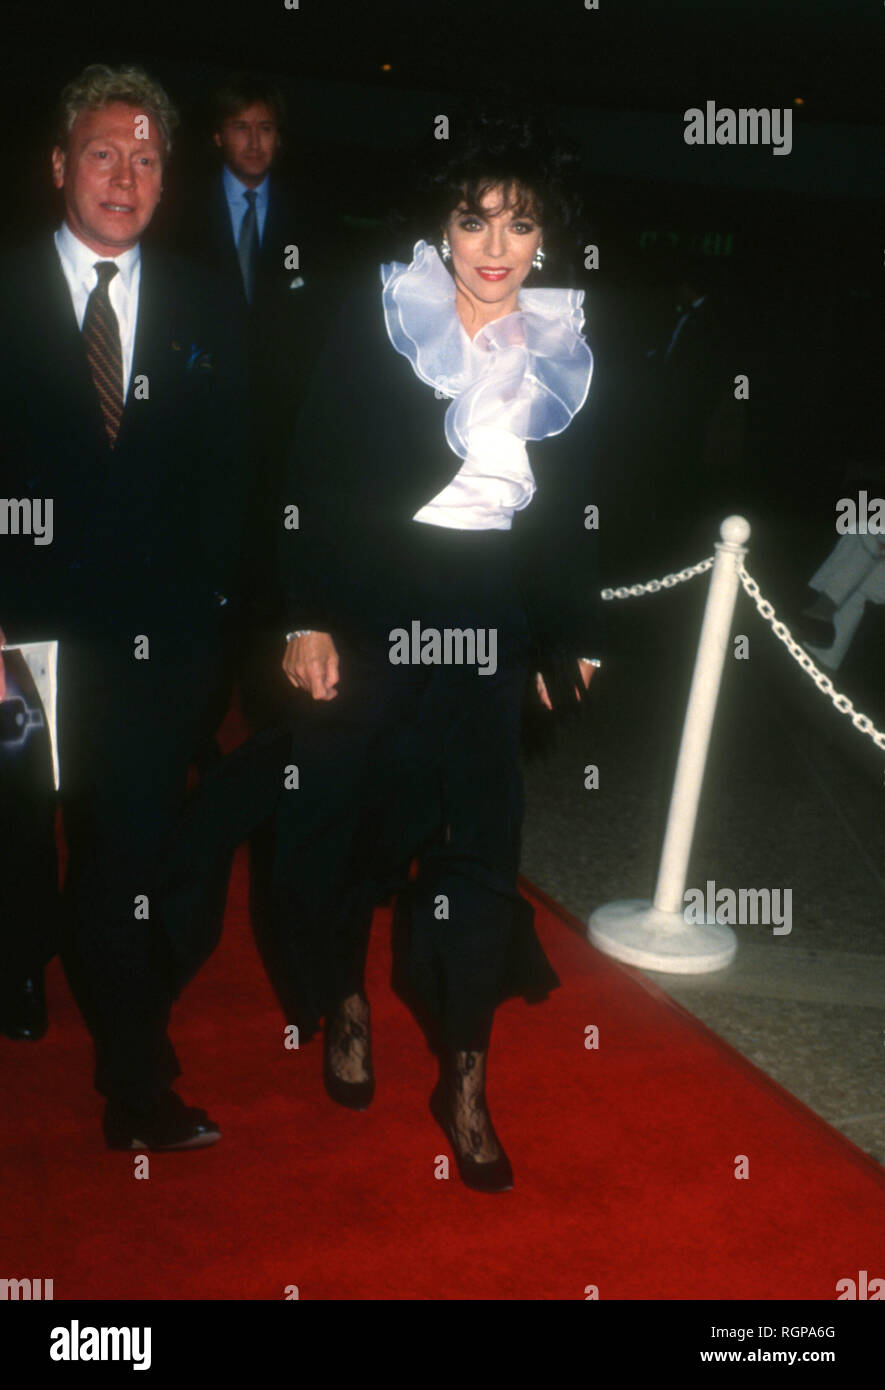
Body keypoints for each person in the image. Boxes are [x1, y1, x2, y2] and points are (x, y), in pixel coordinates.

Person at [274, 110, 602, 1192]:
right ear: (445, 227)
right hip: (376, 605)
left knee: (480, 846)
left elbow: (575, 509)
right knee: (357, 830)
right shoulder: (385, 319)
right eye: (475, 219)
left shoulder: (564, 342)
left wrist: (573, 631)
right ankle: (346, 999)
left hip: (490, 619)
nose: (496, 245)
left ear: (545, 236)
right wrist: (307, 613)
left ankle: (464, 1074)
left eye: (518, 223)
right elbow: (313, 474)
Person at [0, 64, 248, 1150]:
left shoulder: (206, 302)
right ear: (60, 164)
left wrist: (211, 636)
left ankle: (135, 1086)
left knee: (127, 856)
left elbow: (231, 475)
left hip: (155, 646)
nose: (125, 174)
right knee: (16, 836)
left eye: (147, 157)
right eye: (104, 151)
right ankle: (19, 955)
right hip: (16, 637)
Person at [173, 74, 325, 729]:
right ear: (217, 136)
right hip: (197, 422)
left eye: (265, 128)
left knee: (261, 563)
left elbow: (314, 322)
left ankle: (262, 686)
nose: (254, 140)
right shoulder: (178, 211)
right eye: (241, 127)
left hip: (276, 431)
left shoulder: (310, 216)